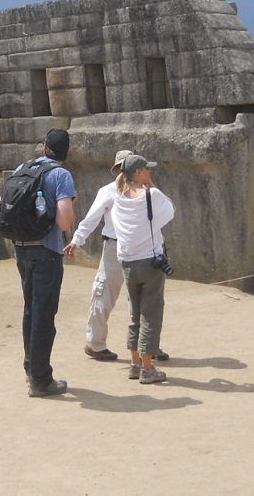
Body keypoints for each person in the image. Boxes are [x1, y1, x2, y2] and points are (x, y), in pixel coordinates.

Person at [65, 150, 169, 362]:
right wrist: (77, 240)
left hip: (143, 250)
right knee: (104, 293)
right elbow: (91, 218)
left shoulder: (148, 192)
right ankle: (95, 343)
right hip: (115, 248)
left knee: (146, 301)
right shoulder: (109, 191)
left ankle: (148, 347)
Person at [8, 128, 76, 398]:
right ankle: (41, 379)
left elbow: (2, 206)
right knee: (44, 315)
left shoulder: (22, 169)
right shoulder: (61, 175)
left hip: (21, 249)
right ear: (66, 152)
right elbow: (65, 222)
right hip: (46, 251)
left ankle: (30, 368)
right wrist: (69, 203)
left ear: (44, 147)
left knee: (30, 310)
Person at [110, 154, 175, 385]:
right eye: (147, 170)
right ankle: (147, 369)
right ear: (138, 172)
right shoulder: (152, 195)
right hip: (150, 262)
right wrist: (152, 186)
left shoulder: (118, 199)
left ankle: (135, 364)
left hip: (128, 264)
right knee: (151, 315)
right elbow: (171, 210)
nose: (150, 172)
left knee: (135, 313)